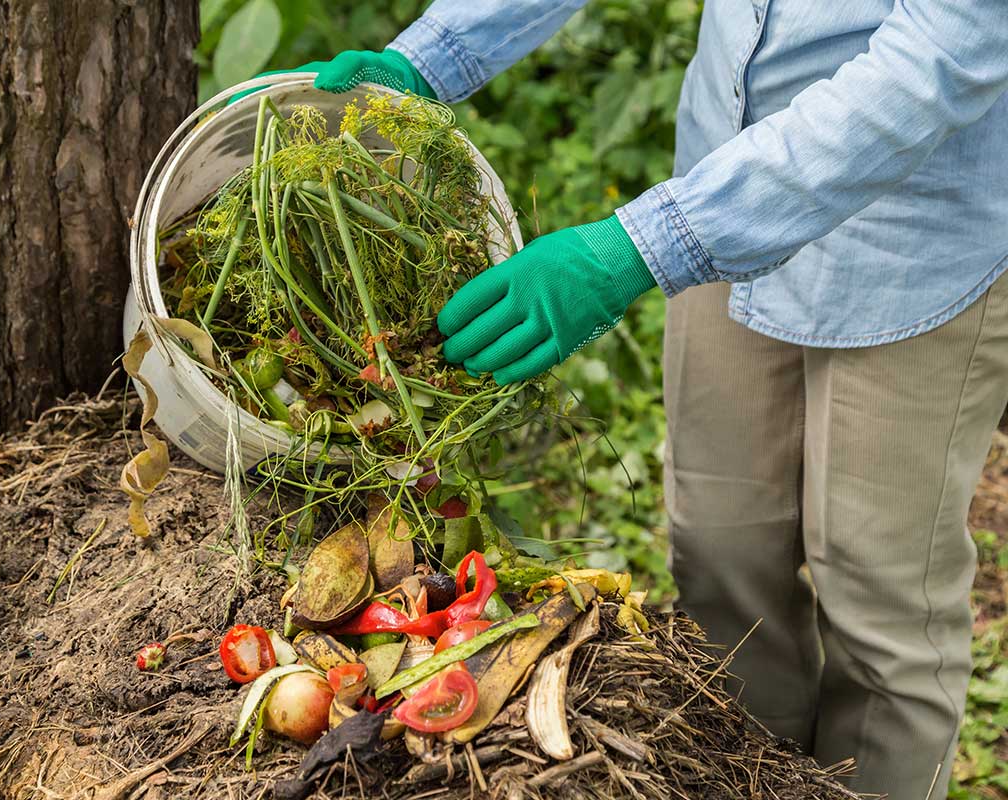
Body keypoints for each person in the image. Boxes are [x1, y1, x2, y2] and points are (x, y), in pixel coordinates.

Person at [259, 2, 1008, 797]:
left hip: (914, 233)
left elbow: (944, 51)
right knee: (725, 552)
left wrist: (645, 245)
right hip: (729, 182)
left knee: (879, 598)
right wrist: (430, 62)